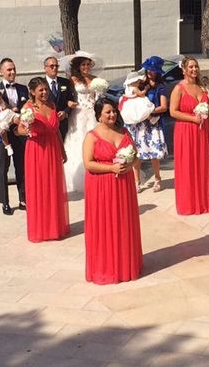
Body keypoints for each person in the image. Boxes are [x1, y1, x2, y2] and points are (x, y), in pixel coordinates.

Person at [83, 97, 143, 284]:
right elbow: (88, 164)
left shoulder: (124, 132)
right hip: (101, 187)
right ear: (99, 115)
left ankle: (125, 264)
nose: (112, 115)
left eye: (114, 111)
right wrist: (111, 168)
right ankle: (106, 267)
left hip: (123, 186)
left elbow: (136, 156)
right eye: (108, 112)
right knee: (105, 224)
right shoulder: (91, 136)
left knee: (123, 222)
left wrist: (129, 163)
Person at [17, 78, 69, 242]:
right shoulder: (28, 108)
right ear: (32, 92)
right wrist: (28, 129)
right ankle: (41, 228)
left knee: (53, 187)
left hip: (52, 149)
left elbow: (56, 131)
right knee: (39, 188)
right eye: (41, 90)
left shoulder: (52, 105)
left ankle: (54, 227)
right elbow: (19, 129)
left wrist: (62, 150)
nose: (45, 93)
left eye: (46, 89)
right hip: (37, 151)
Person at [170, 56, 209, 215]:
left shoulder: (202, 87)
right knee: (188, 167)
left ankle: (201, 201)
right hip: (185, 131)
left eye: (196, 67)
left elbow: (207, 111)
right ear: (184, 69)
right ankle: (188, 203)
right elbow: (173, 112)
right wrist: (193, 119)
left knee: (201, 166)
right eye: (191, 67)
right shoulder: (179, 88)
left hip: (201, 131)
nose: (194, 70)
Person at [0, 58, 27, 216]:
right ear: (1, 71)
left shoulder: (23, 89)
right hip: (1, 133)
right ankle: (4, 202)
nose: (12, 72)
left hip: (18, 132)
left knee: (21, 166)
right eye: (9, 70)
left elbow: (27, 108)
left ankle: (23, 199)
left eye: (14, 69)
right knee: (3, 167)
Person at [127, 56, 169, 193]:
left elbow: (164, 107)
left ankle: (157, 178)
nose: (150, 72)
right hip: (138, 124)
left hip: (152, 123)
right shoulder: (140, 83)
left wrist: (149, 112)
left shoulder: (160, 87)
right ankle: (136, 181)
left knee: (154, 154)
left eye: (153, 70)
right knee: (137, 153)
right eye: (149, 69)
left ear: (158, 72)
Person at [63, 51, 102, 193]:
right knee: (78, 139)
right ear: (78, 66)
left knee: (94, 139)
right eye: (83, 65)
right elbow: (68, 95)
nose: (86, 67)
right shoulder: (73, 79)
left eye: (88, 64)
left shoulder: (95, 79)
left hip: (92, 112)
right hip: (78, 113)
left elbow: (98, 97)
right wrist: (68, 103)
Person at [44, 56, 77, 140]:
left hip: (63, 124)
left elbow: (70, 100)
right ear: (45, 68)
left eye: (56, 66)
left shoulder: (65, 82)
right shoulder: (41, 83)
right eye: (52, 66)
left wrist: (65, 112)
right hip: (47, 123)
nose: (54, 68)